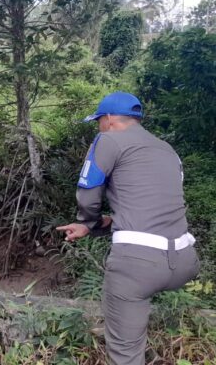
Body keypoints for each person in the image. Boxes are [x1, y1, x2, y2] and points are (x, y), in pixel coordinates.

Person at [56, 91, 200, 365]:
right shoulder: (167, 149)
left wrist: (88, 221)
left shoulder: (108, 139)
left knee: (125, 353)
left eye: (98, 121)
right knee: (132, 319)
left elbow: (88, 192)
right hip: (184, 261)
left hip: (138, 266)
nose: (98, 127)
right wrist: (99, 226)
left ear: (110, 119)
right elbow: (150, 206)